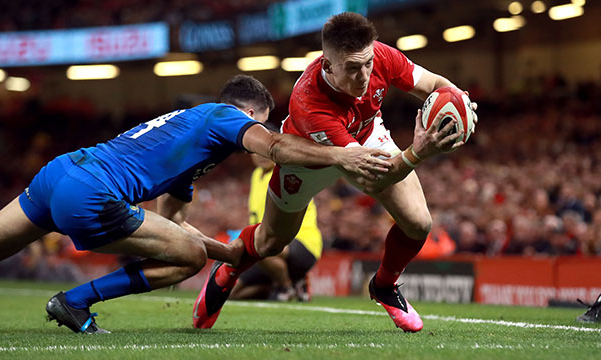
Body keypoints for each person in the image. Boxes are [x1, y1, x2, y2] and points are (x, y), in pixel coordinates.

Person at [0, 75, 394, 334]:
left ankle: (75, 302)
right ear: (251, 112)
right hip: (91, 190)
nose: (253, 139)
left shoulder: (193, 149)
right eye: (256, 125)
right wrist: (342, 154)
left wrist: (227, 253)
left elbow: (171, 226)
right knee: (189, 258)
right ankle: (74, 302)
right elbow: (278, 147)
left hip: (61, 173)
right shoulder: (225, 117)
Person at [193, 13, 477, 333]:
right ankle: (228, 269)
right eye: (353, 68)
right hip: (308, 157)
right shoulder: (310, 102)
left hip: (365, 136)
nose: (365, 75)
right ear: (328, 65)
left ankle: (384, 286)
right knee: (272, 241)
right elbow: (375, 175)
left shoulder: (381, 55)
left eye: (367, 63)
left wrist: (459, 100)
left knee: (419, 223)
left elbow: (434, 84)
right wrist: (418, 152)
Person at [230, 152, 322, 302]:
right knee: (233, 292)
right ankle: (290, 284)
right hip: (270, 246)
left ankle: (285, 287)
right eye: (256, 152)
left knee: (258, 245)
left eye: (265, 152)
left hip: (301, 241)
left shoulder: (286, 173)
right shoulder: (256, 175)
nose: (261, 156)